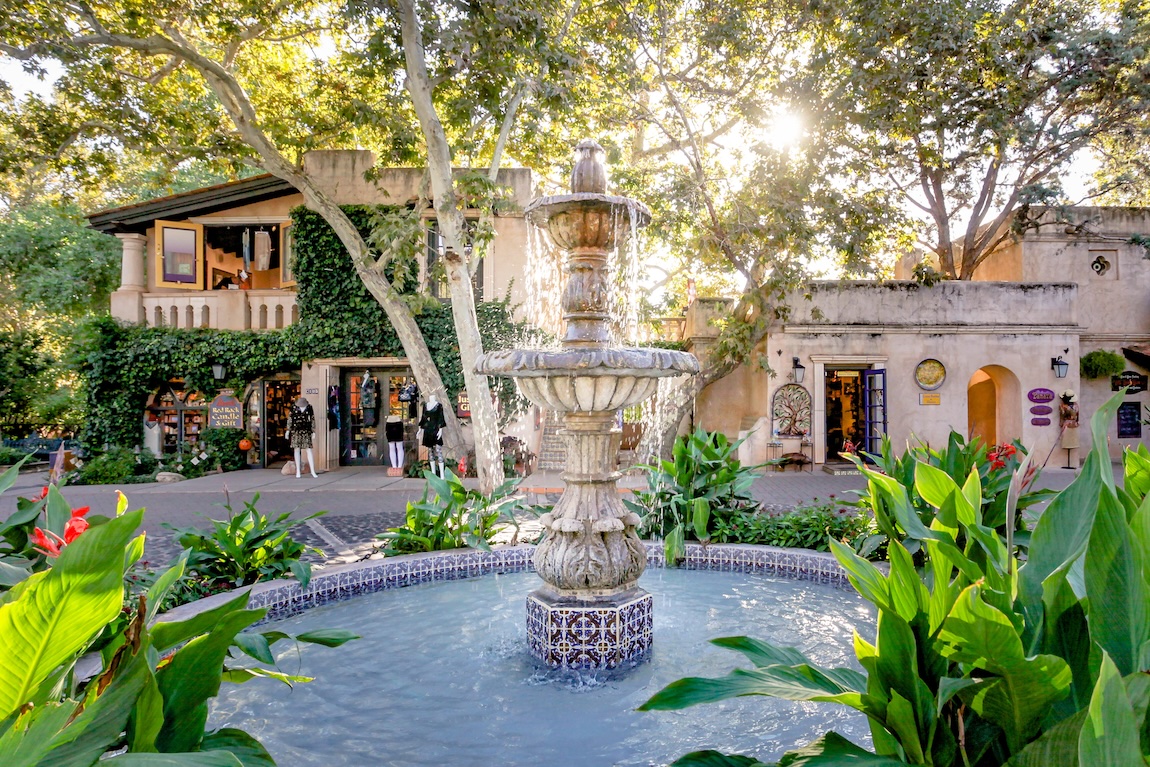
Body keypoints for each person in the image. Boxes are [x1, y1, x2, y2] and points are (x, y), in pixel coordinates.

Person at [286, 396, 318, 478]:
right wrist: (288, 430)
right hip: (296, 431)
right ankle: (298, 471)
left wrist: (313, 431)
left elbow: (312, 419)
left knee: (309, 450)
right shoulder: (293, 408)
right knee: (296, 450)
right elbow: (290, 419)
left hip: (306, 431)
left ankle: (313, 471)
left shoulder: (309, 408)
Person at [419, 394, 446, 477]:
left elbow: (441, 418)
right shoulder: (426, 406)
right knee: (430, 451)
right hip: (428, 430)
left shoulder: (439, 406)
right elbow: (423, 418)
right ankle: (433, 473)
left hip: (436, 429)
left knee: (438, 450)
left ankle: (442, 474)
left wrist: (440, 430)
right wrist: (420, 429)